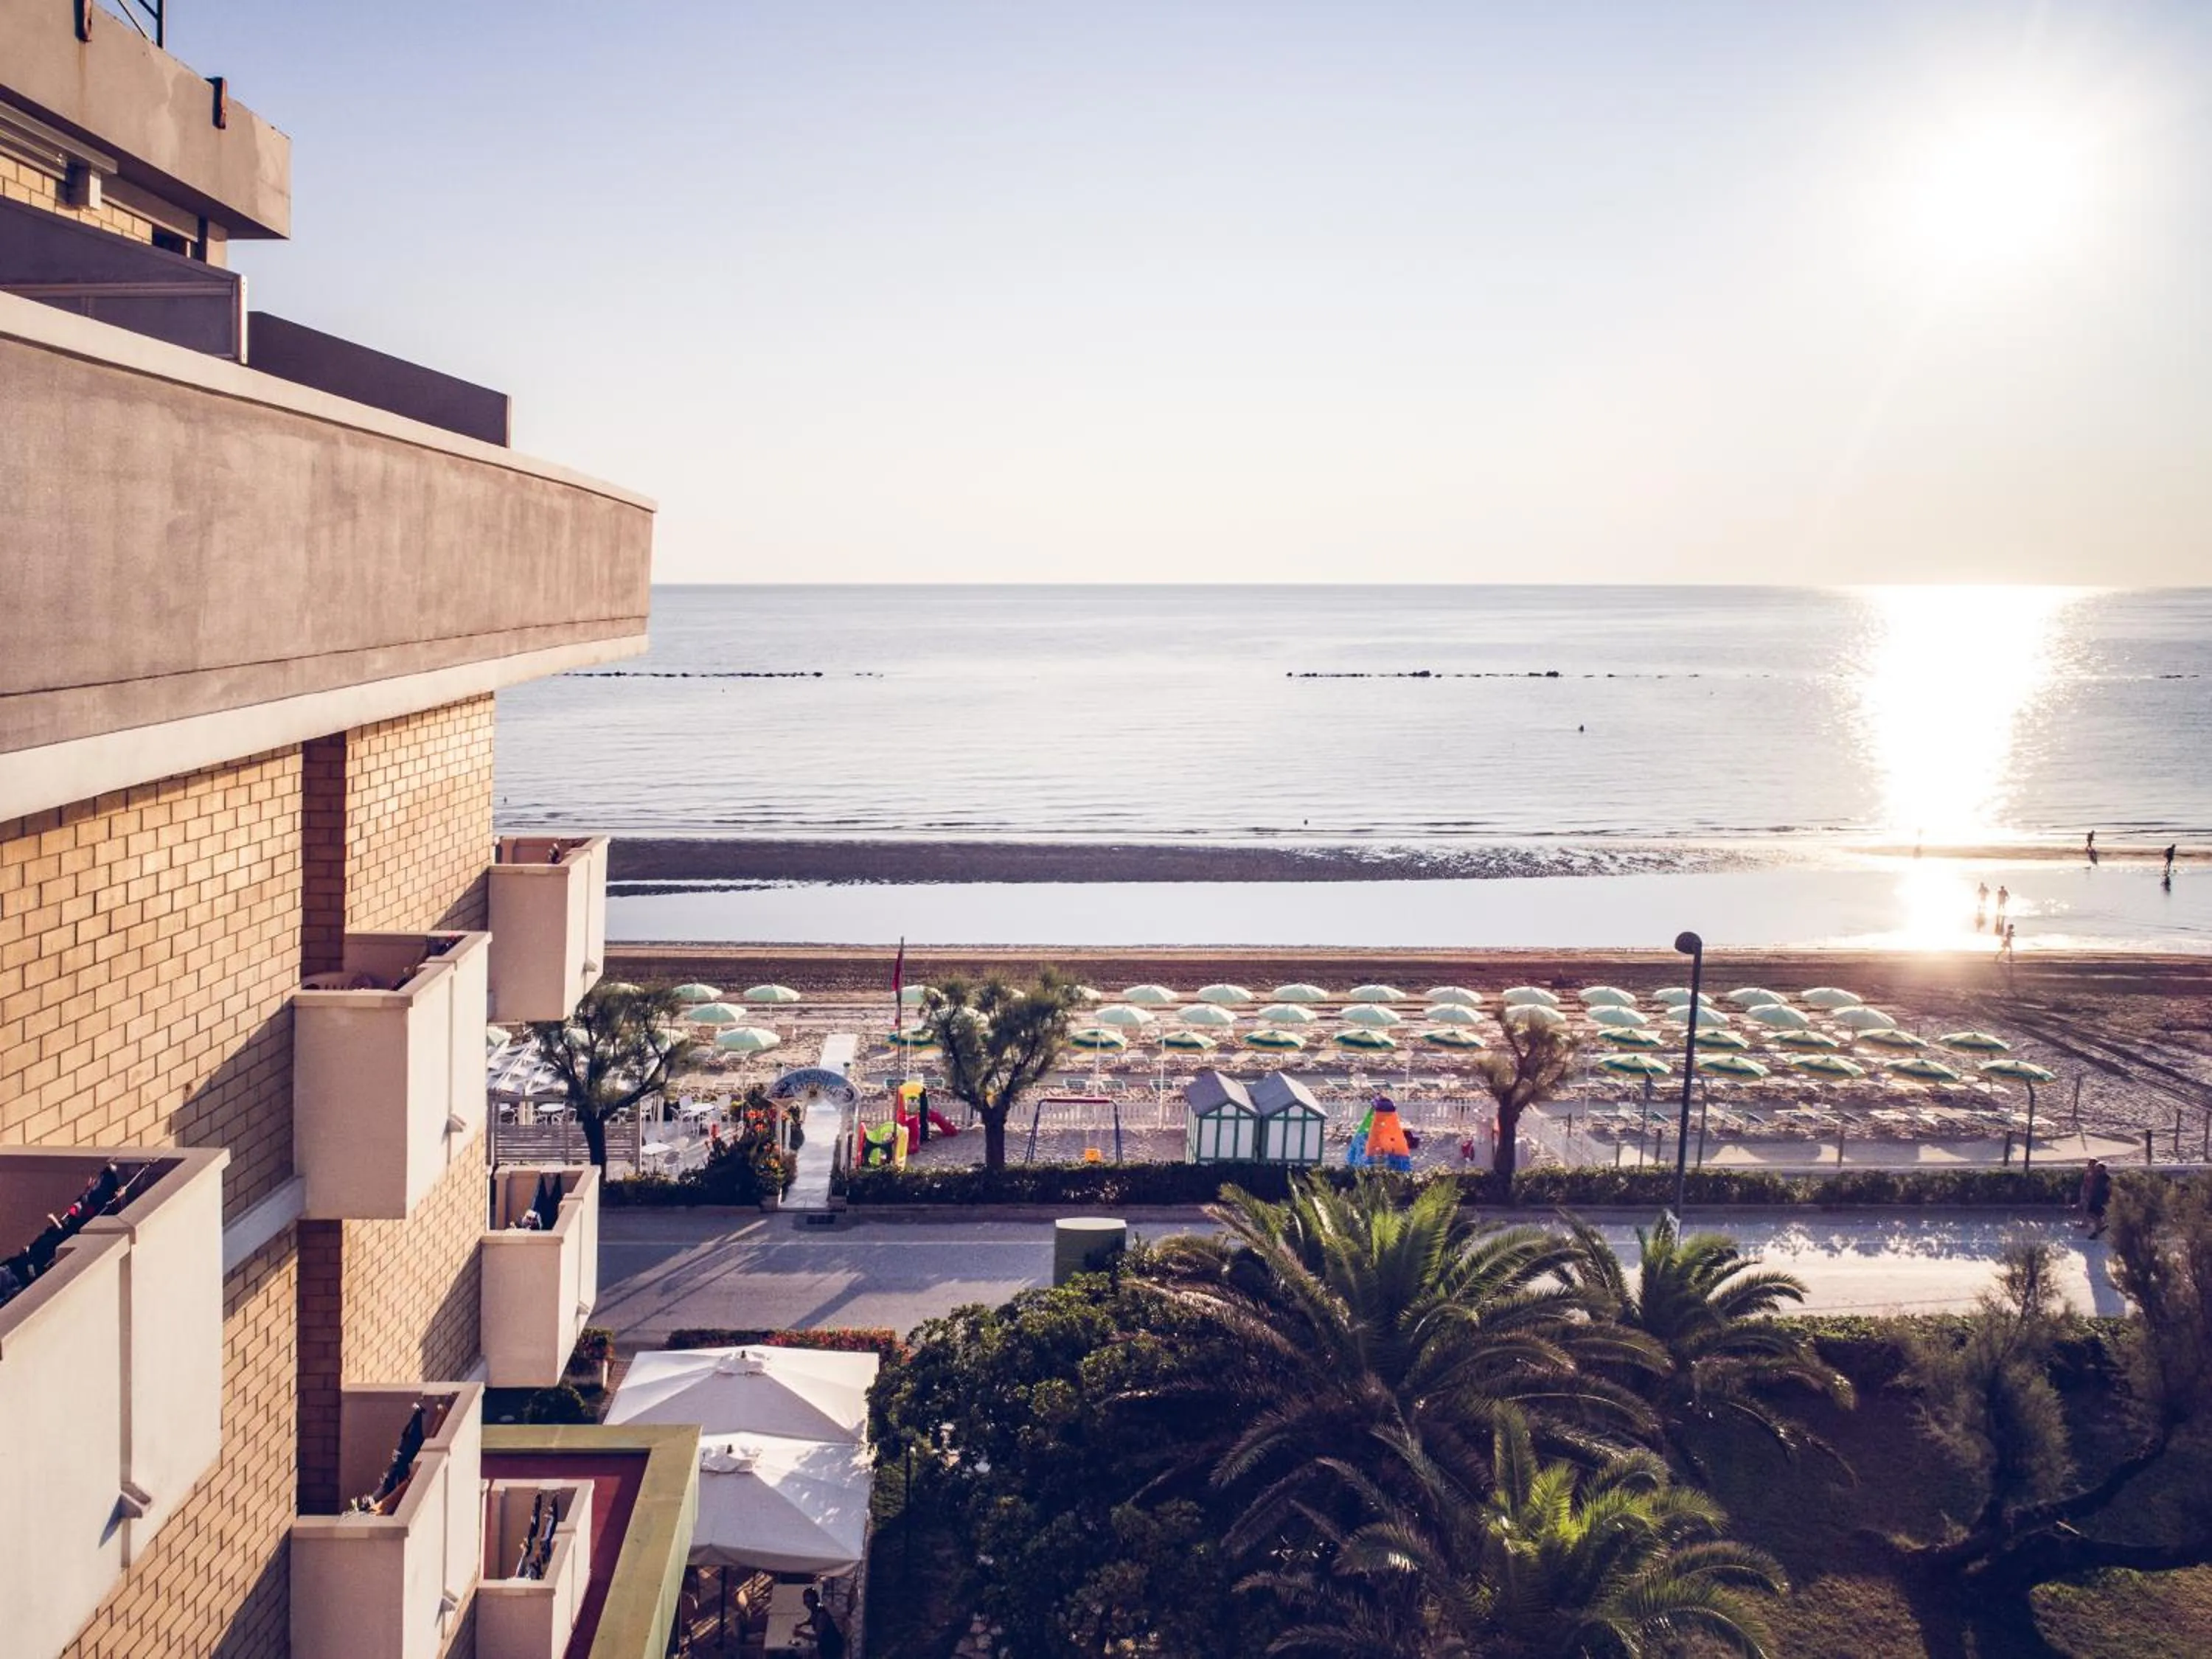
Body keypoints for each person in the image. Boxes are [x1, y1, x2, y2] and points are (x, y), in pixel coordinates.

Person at [799, 1587, 846, 1659]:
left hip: (832, 1649)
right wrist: (802, 1624)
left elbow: (818, 1637)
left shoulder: (821, 1615)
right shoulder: (816, 1609)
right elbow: (812, 1620)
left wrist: (801, 1634)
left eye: (809, 1601)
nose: (807, 1604)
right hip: (828, 1646)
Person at [2080, 1159, 2112, 1239]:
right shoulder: (2096, 1176)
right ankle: (2100, 1227)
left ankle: (2096, 1232)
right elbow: (2091, 1186)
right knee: (2091, 1214)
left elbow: (2109, 1189)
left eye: (2098, 1169)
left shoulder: (2107, 1178)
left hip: (2100, 1200)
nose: (2097, 1170)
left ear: (2103, 1170)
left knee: (2097, 1216)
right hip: (2094, 1198)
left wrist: (2108, 1199)